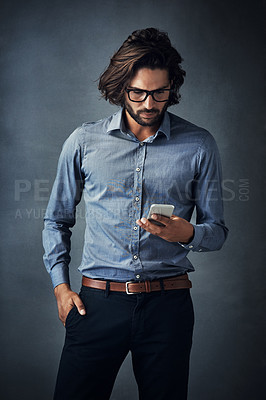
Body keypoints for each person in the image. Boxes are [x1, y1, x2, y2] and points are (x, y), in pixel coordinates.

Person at [43, 27, 228, 400]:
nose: (149, 104)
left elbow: (217, 230)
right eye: (138, 93)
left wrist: (187, 234)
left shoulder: (199, 145)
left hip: (168, 308)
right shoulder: (83, 141)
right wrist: (61, 288)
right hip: (96, 306)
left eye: (159, 93)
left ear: (171, 88)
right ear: (121, 88)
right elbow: (56, 220)